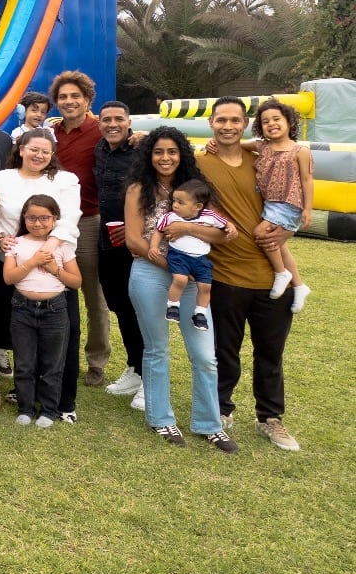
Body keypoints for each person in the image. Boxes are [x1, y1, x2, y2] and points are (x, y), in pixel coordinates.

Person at [123, 127, 236, 453]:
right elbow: (133, 239)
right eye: (158, 151)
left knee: (204, 355)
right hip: (150, 272)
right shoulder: (138, 189)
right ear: (149, 155)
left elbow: (223, 234)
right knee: (157, 349)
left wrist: (186, 227)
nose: (165, 158)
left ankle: (209, 424)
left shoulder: (197, 191)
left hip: (193, 280)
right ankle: (161, 418)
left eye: (172, 151)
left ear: (181, 154)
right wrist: (175, 267)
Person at [198, 98, 301, 451]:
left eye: (234, 120)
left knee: (270, 354)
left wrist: (289, 231)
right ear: (211, 123)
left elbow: (293, 202)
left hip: (274, 278)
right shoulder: (199, 163)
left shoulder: (265, 160)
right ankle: (221, 410)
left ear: (245, 125)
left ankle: (270, 418)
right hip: (226, 274)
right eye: (221, 120)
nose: (227, 126)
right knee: (224, 350)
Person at [0, 127, 83, 413]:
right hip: (10, 261)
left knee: (67, 330)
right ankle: (25, 393)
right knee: (21, 331)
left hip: (55, 261)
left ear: (53, 154)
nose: (39, 155)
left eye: (45, 151)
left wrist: (47, 250)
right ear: (20, 149)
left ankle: (64, 401)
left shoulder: (65, 180)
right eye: (33, 149)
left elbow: (69, 219)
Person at [48, 70, 110, 387]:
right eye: (63, 97)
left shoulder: (102, 129)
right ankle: (56, 355)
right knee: (53, 288)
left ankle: (97, 360)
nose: (69, 101)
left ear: (87, 99)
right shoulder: (50, 133)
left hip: (88, 221)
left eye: (75, 96)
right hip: (49, 223)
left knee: (92, 294)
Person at [2, 197, 81, 430]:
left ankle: (49, 409)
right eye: (31, 218)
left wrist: (54, 269)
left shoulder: (62, 245)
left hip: (54, 310)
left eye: (45, 218)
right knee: (25, 362)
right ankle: (26, 408)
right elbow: (9, 278)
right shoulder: (15, 244)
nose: (38, 223)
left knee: (52, 364)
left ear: (55, 219)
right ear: (24, 218)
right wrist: (33, 262)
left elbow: (76, 281)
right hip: (22, 308)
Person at [93, 101, 145, 407]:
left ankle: (149, 377)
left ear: (129, 122)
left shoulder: (142, 147)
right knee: (120, 306)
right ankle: (135, 368)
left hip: (137, 241)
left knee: (141, 308)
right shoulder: (100, 148)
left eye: (118, 119)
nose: (112, 124)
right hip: (107, 239)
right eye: (106, 120)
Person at [248, 97, 314, 310]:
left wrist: (308, 208)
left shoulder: (299, 151)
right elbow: (236, 144)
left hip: (289, 203)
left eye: (276, 119)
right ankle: (299, 285)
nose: (271, 124)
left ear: (289, 122)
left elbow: (307, 180)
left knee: (261, 233)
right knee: (280, 245)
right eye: (265, 121)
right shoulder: (262, 147)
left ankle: (281, 273)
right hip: (270, 203)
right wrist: (213, 143)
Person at [158, 175, 232, 328]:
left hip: (200, 259)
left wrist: (230, 228)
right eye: (174, 201)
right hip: (178, 255)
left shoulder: (209, 216)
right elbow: (158, 231)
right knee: (180, 280)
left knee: (206, 287)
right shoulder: (171, 216)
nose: (175, 205)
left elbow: (225, 224)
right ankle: (172, 306)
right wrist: (153, 246)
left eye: (180, 202)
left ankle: (200, 313)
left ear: (198, 206)